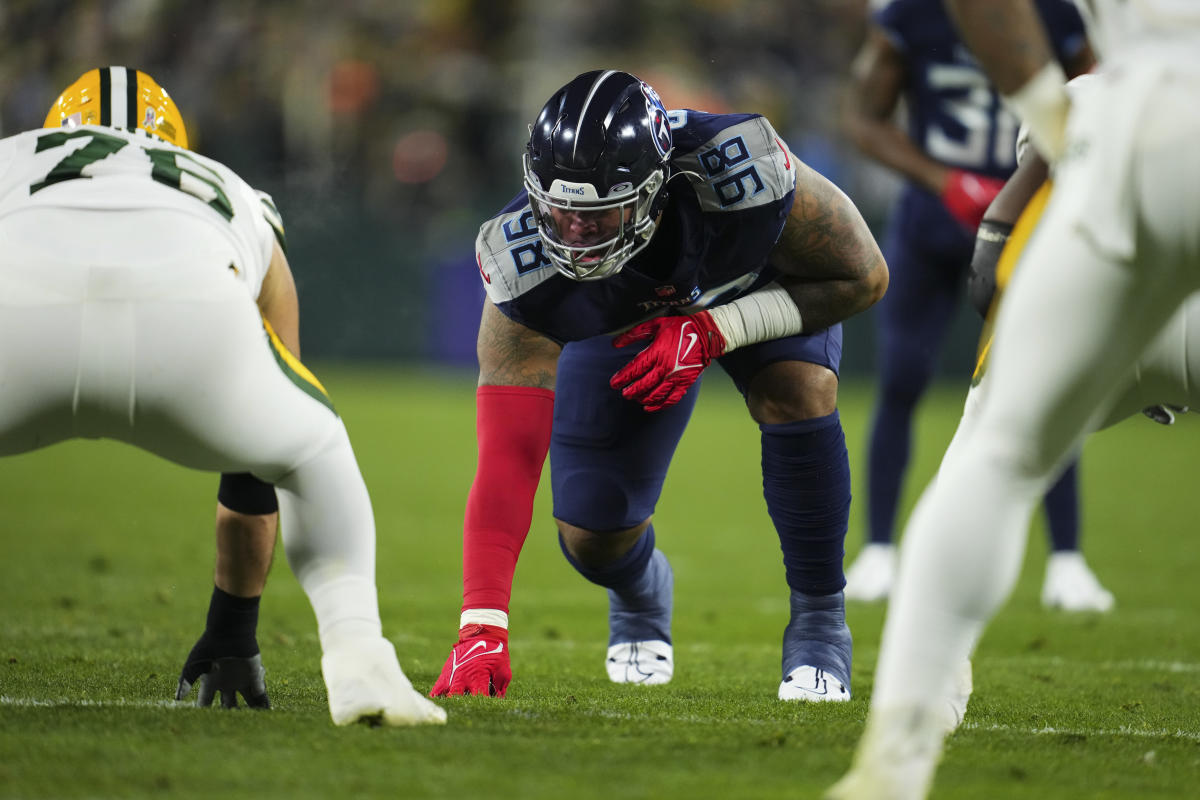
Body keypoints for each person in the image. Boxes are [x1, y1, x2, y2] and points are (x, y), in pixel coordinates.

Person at [827, 0, 1200, 796]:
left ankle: (896, 760)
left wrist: (1038, 144)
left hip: (1130, 135)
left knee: (992, 457)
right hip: (1125, 126)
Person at [3, 66, 445, 728]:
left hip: (17, 318)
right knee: (312, 444)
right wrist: (233, 627)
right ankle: (358, 652)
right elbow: (256, 471)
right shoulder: (229, 187)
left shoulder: (12, 160)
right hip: (188, 324)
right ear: (176, 143)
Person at [429, 69, 888, 702]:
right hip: (624, 325)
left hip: (753, 290)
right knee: (592, 535)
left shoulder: (736, 166)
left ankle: (818, 627)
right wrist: (481, 625)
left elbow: (861, 278)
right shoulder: (522, 261)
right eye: (559, 212)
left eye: (597, 213)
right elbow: (507, 456)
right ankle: (641, 590)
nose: (574, 234)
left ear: (654, 187)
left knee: (798, 389)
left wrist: (714, 330)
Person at [839, 0, 1112, 612]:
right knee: (902, 378)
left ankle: (1067, 560)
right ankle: (880, 549)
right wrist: (945, 180)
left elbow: (1097, 103)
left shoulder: (1059, 14)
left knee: (1047, 387)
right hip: (934, 224)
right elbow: (862, 119)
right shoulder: (910, 15)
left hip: (1027, 221)